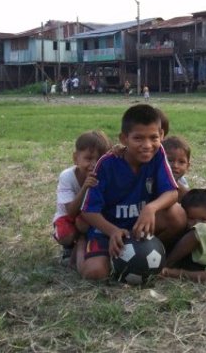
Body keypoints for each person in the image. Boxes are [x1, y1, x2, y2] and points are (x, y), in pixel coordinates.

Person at [76, 104, 187, 280]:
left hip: (140, 224)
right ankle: (81, 246)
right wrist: (112, 231)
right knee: (95, 273)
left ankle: (150, 252)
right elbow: (89, 211)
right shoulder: (106, 164)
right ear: (124, 138)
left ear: (162, 136)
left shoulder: (158, 154)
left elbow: (172, 193)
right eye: (138, 138)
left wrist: (151, 208)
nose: (147, 145)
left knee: (178, 215)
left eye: (153, 137)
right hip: (108, 228)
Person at [52, 131, 111, 265]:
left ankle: (85, 242)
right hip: (69, 216)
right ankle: (69, 247)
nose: (94, 164)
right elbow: (71, 211)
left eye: (100, 159)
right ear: (75, 158)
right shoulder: (67, 176)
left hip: (90, 217)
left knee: (84, 223)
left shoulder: (104, 175)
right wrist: (85, 187)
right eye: (88, 158)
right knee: (67, 235)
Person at [162, 136, 191, 201]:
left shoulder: (182, 181)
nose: (175, 166)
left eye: (181, 162)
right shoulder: (156, 180)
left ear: (187, 166)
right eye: (170, 160)